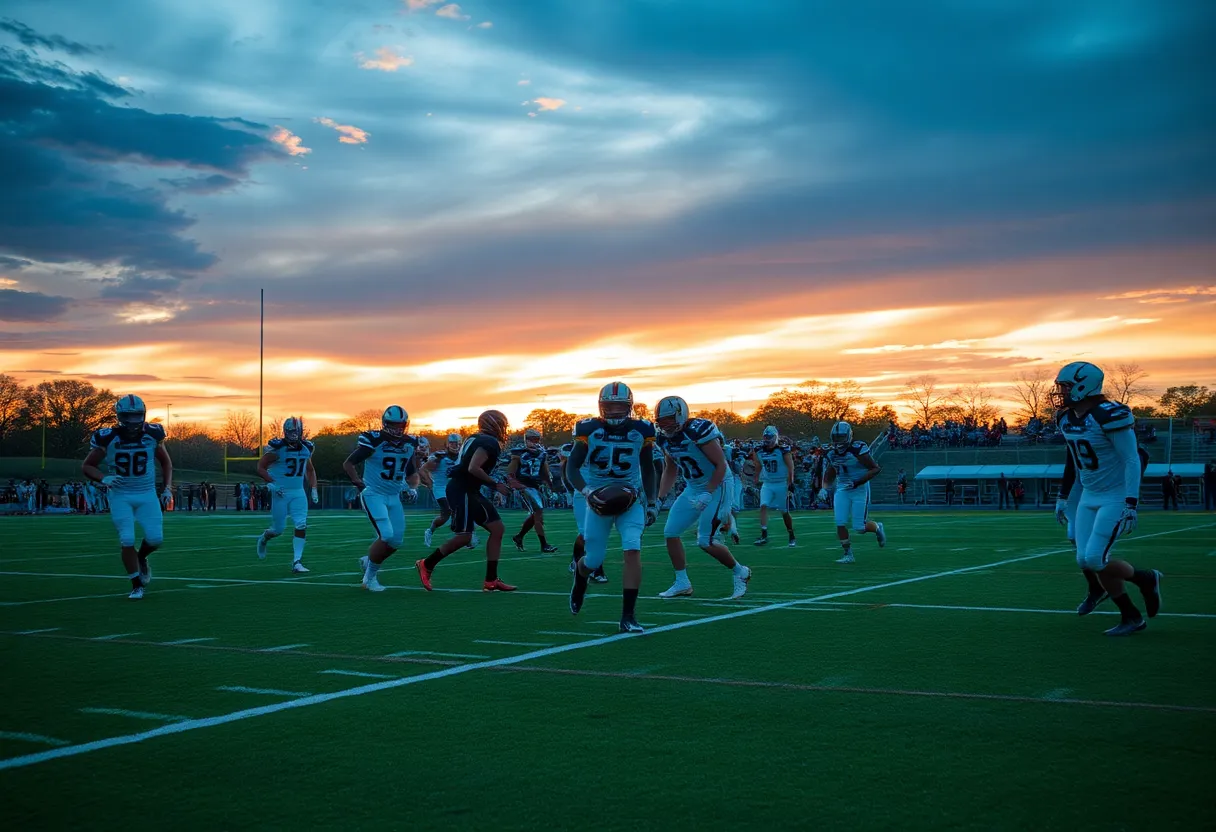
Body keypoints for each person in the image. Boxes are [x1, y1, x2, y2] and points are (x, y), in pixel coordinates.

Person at [1051, 361, 1161, 636]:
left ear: (1083, 386)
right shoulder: (1066, 418)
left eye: (1065, 387)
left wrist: (1131, 503)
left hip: (1114, 495)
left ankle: (1146, 579)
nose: (1060, 393)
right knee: (1084, 560)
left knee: (1095, 559)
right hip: (1088, 494)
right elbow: (1073, 458)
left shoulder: (1109, 414)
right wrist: (1064, 497)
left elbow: (1132, 458)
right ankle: (1132, 613)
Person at [567, 382, 656, 633]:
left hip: (631, 496)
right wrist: (587, 491)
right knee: (593, 560)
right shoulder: (589, 429)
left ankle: (628, 616)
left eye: (620, 406)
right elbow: (572, 468)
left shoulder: (642, 430)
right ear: (601, 406)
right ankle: (580, 577)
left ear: (629, 407)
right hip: (597, 498)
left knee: (632, 549)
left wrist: (651, 502)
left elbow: (648, 468)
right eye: (610, 406)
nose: (615, 411)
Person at [653, 396, 751, 600]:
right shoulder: (663, 438)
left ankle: (741, 572)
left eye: (669, 419)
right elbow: (670, 468)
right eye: (661, 421)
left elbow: (721, 465)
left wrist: (708, 492)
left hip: (719, 484)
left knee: (705, 541)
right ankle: (682, 582)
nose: (665, 425)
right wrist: (659, 498)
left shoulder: (698, 430)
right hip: (693, 486)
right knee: (670, 532)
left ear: (680, 415)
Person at [81, 394, 173, 600]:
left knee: (156, 539)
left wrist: (167, 487)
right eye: (129, 417)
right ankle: (136, 585)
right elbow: (87, 465)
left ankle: (141, 557)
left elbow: (166, 462)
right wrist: (103, 478)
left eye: (137, 416)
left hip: (147, 492)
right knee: (127, 538)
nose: (133, 421)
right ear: (120, 416)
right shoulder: (107, 437)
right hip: (120, 494)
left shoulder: (153, 433)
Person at [416, 410, 517, 592]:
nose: (504, 429)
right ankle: (426, 564)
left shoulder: (476, 438)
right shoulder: (489, 442)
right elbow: (473, 467)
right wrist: (496, 485)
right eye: (502, 424)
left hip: (469, 489)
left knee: (497, 529)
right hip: (461, 489)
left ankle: (491, 580)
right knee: (465, 536)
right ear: (494, 424)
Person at [343, 406, 421, 592]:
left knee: (396, 541)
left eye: (401, 425)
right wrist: (358, 483)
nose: (397, 429)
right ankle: (369, 578)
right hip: (374, 494)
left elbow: (411, 472)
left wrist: (413, 487)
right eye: (393, 425)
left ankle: (369, 561)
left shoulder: (409, 443)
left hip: (393, 496)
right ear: (385, 424)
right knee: (385, 535)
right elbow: (348, 463)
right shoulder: (373, 440)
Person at [255, 417, 319, 573]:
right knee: (278, 530)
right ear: (285, 432)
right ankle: (264, 538)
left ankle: (297, 561)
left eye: (295, 431)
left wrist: (314, 487)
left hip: (298, 492)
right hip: (281, 492)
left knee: (301, 524)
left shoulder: (306, 448)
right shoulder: (278, 449)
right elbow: (260, 467)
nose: (293, 434)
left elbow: (309, 469)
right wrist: (271, 483)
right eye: (290, 431)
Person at [820, 421, 886, 564]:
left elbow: (875, 468)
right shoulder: (830, 452)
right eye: (836, 437)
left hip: (859, 488)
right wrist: (824, 487)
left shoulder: (858, 449)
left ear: (849, 436)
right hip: (843, 488)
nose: (838, 441)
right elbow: (831, 471)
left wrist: (857, 482)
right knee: (840, 521)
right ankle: (848, 554)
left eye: (841, 437)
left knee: (859, 527)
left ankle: (877, 527)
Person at [508, 428, 558, 553]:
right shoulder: (519, 453)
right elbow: (510, 473)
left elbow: (545, 472)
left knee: (536, 515)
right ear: (526, 440)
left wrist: (551, 486)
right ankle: (544, 544)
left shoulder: (542, 453)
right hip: (523, 485)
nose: (534, 442)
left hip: (535, 486)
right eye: (532, 440)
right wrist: (515, 485)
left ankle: (519, 537)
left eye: (536, 440)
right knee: (538, 513)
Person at [751, 425, 797, 547]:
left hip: (782, 483)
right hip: (768, 483)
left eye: (769, 437)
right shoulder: (758, 450)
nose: (767, 439)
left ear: (775, 437)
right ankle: (764, 534)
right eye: (766, 437)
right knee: (763, 506)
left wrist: (790, 483)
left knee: (784, 511)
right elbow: (758, 465)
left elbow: (790, 467)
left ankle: (791, 534)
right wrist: (755, 478)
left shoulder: (783, 450)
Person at [422, 433, 463, 547]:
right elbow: (423, 469)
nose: (456, 446)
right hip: (440, 489)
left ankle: (430, 531)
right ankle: (463, 535)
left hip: (454, 489)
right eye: (453, 443)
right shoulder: (439, 457)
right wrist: (430, 483)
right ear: (447, 444)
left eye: (458, 444)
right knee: (451, 510)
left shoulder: (462, 456)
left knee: (445, 516)